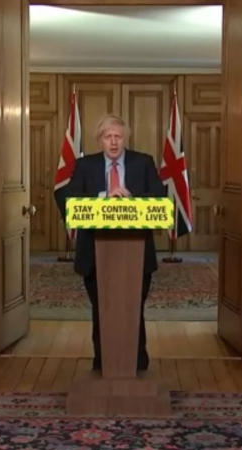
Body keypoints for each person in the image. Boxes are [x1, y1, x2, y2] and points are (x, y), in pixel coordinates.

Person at [55, 114, 167, 371]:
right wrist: (105, 196)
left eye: (118, 136)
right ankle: (103, 364)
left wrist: (131, 197)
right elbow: (69, 198)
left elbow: (160, 196)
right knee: (102, 311)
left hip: (137, 257)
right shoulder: (85, 166)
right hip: (95, 256)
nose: (114, 142)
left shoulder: (143, 162)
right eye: (108, 137)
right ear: (100, 140)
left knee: (132, 310)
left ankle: (137, 363)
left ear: (125, 138)